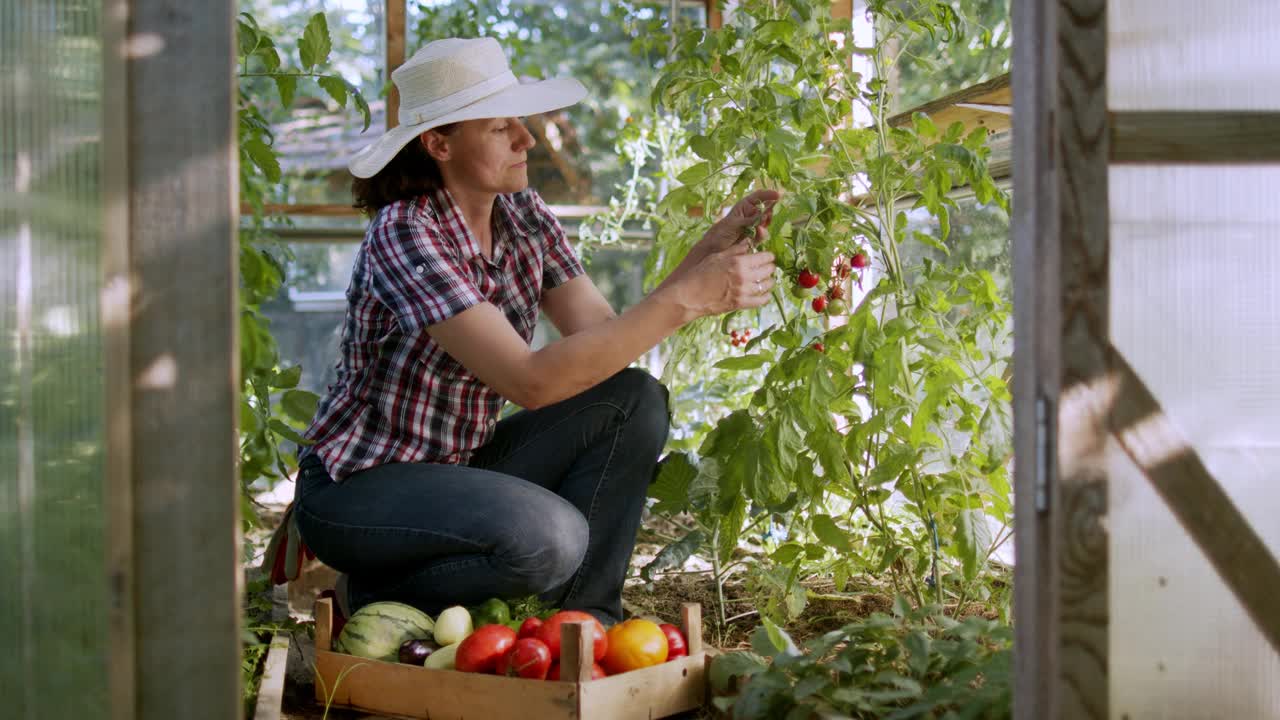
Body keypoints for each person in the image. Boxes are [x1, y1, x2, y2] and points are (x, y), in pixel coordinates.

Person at [289, 37, 780, 627]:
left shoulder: (519, 211)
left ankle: (586, 621)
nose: (527, 138)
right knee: (550, 540)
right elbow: (531, 383)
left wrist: (705, 258)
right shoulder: (407, 235)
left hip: (457, 468)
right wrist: (687, 298)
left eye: (519, 122)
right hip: (360, 490)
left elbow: (601, 335)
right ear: (438, 143)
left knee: (633, 399)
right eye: (500, 128)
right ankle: (377, 596)